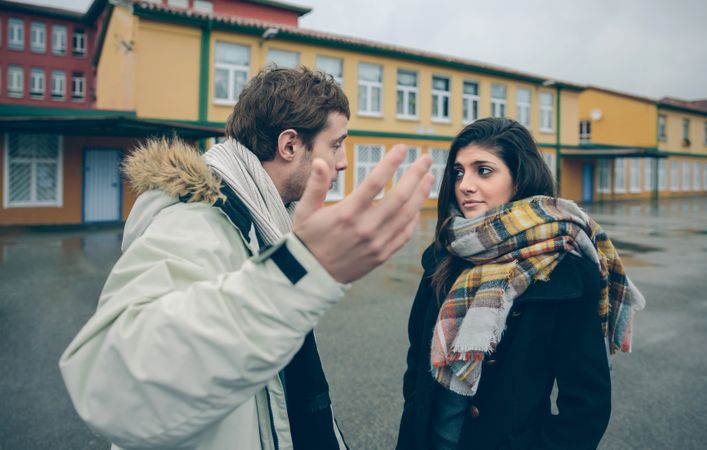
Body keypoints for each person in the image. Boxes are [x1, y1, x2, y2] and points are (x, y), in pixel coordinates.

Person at [59, 66, 434, 450]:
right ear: (289, 146)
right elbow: (111, 386)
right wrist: (296, 271)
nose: (343, 162)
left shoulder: (267, 219)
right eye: (336, 144)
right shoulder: (196, 220)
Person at [396, 117, 645, 450]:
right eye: (458, 171)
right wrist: (414, 408)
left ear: (519, 179)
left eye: (483, 170)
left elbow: (586, 404)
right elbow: (417, 354)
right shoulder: (445, 254)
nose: (465, 184)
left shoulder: (565, 270)